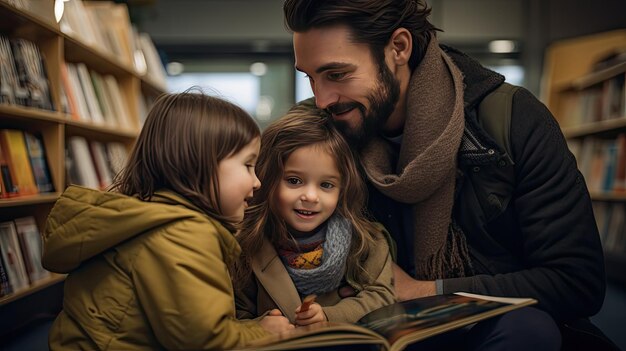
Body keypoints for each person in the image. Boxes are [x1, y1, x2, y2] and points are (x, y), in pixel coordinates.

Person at [283, 0, 616, 350]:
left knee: (527, 329)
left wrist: (426, 292)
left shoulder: (514, 120)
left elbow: (576, 282)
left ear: (398, 48)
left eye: (336, 74)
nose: (321, 99)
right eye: (309, 77)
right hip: (365, 326)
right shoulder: (315, 134)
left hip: (493, 331)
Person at [41, 90, 294, 350]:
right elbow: (206, 343)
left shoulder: (152, 217)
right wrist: (263, 332)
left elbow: (189, 327)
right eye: (248, 165)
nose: (257, 182)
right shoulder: (182, 233)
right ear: (200, 164)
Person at [233, 102, 395, 326]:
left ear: (343, 189)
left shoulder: (365, 241)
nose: (310, 196)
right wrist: (259, 327)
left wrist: (330, 316)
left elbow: (382, 297)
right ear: (268, 179)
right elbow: (234, 316)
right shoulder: (247, 246)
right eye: (294, 181)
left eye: (326, 185)